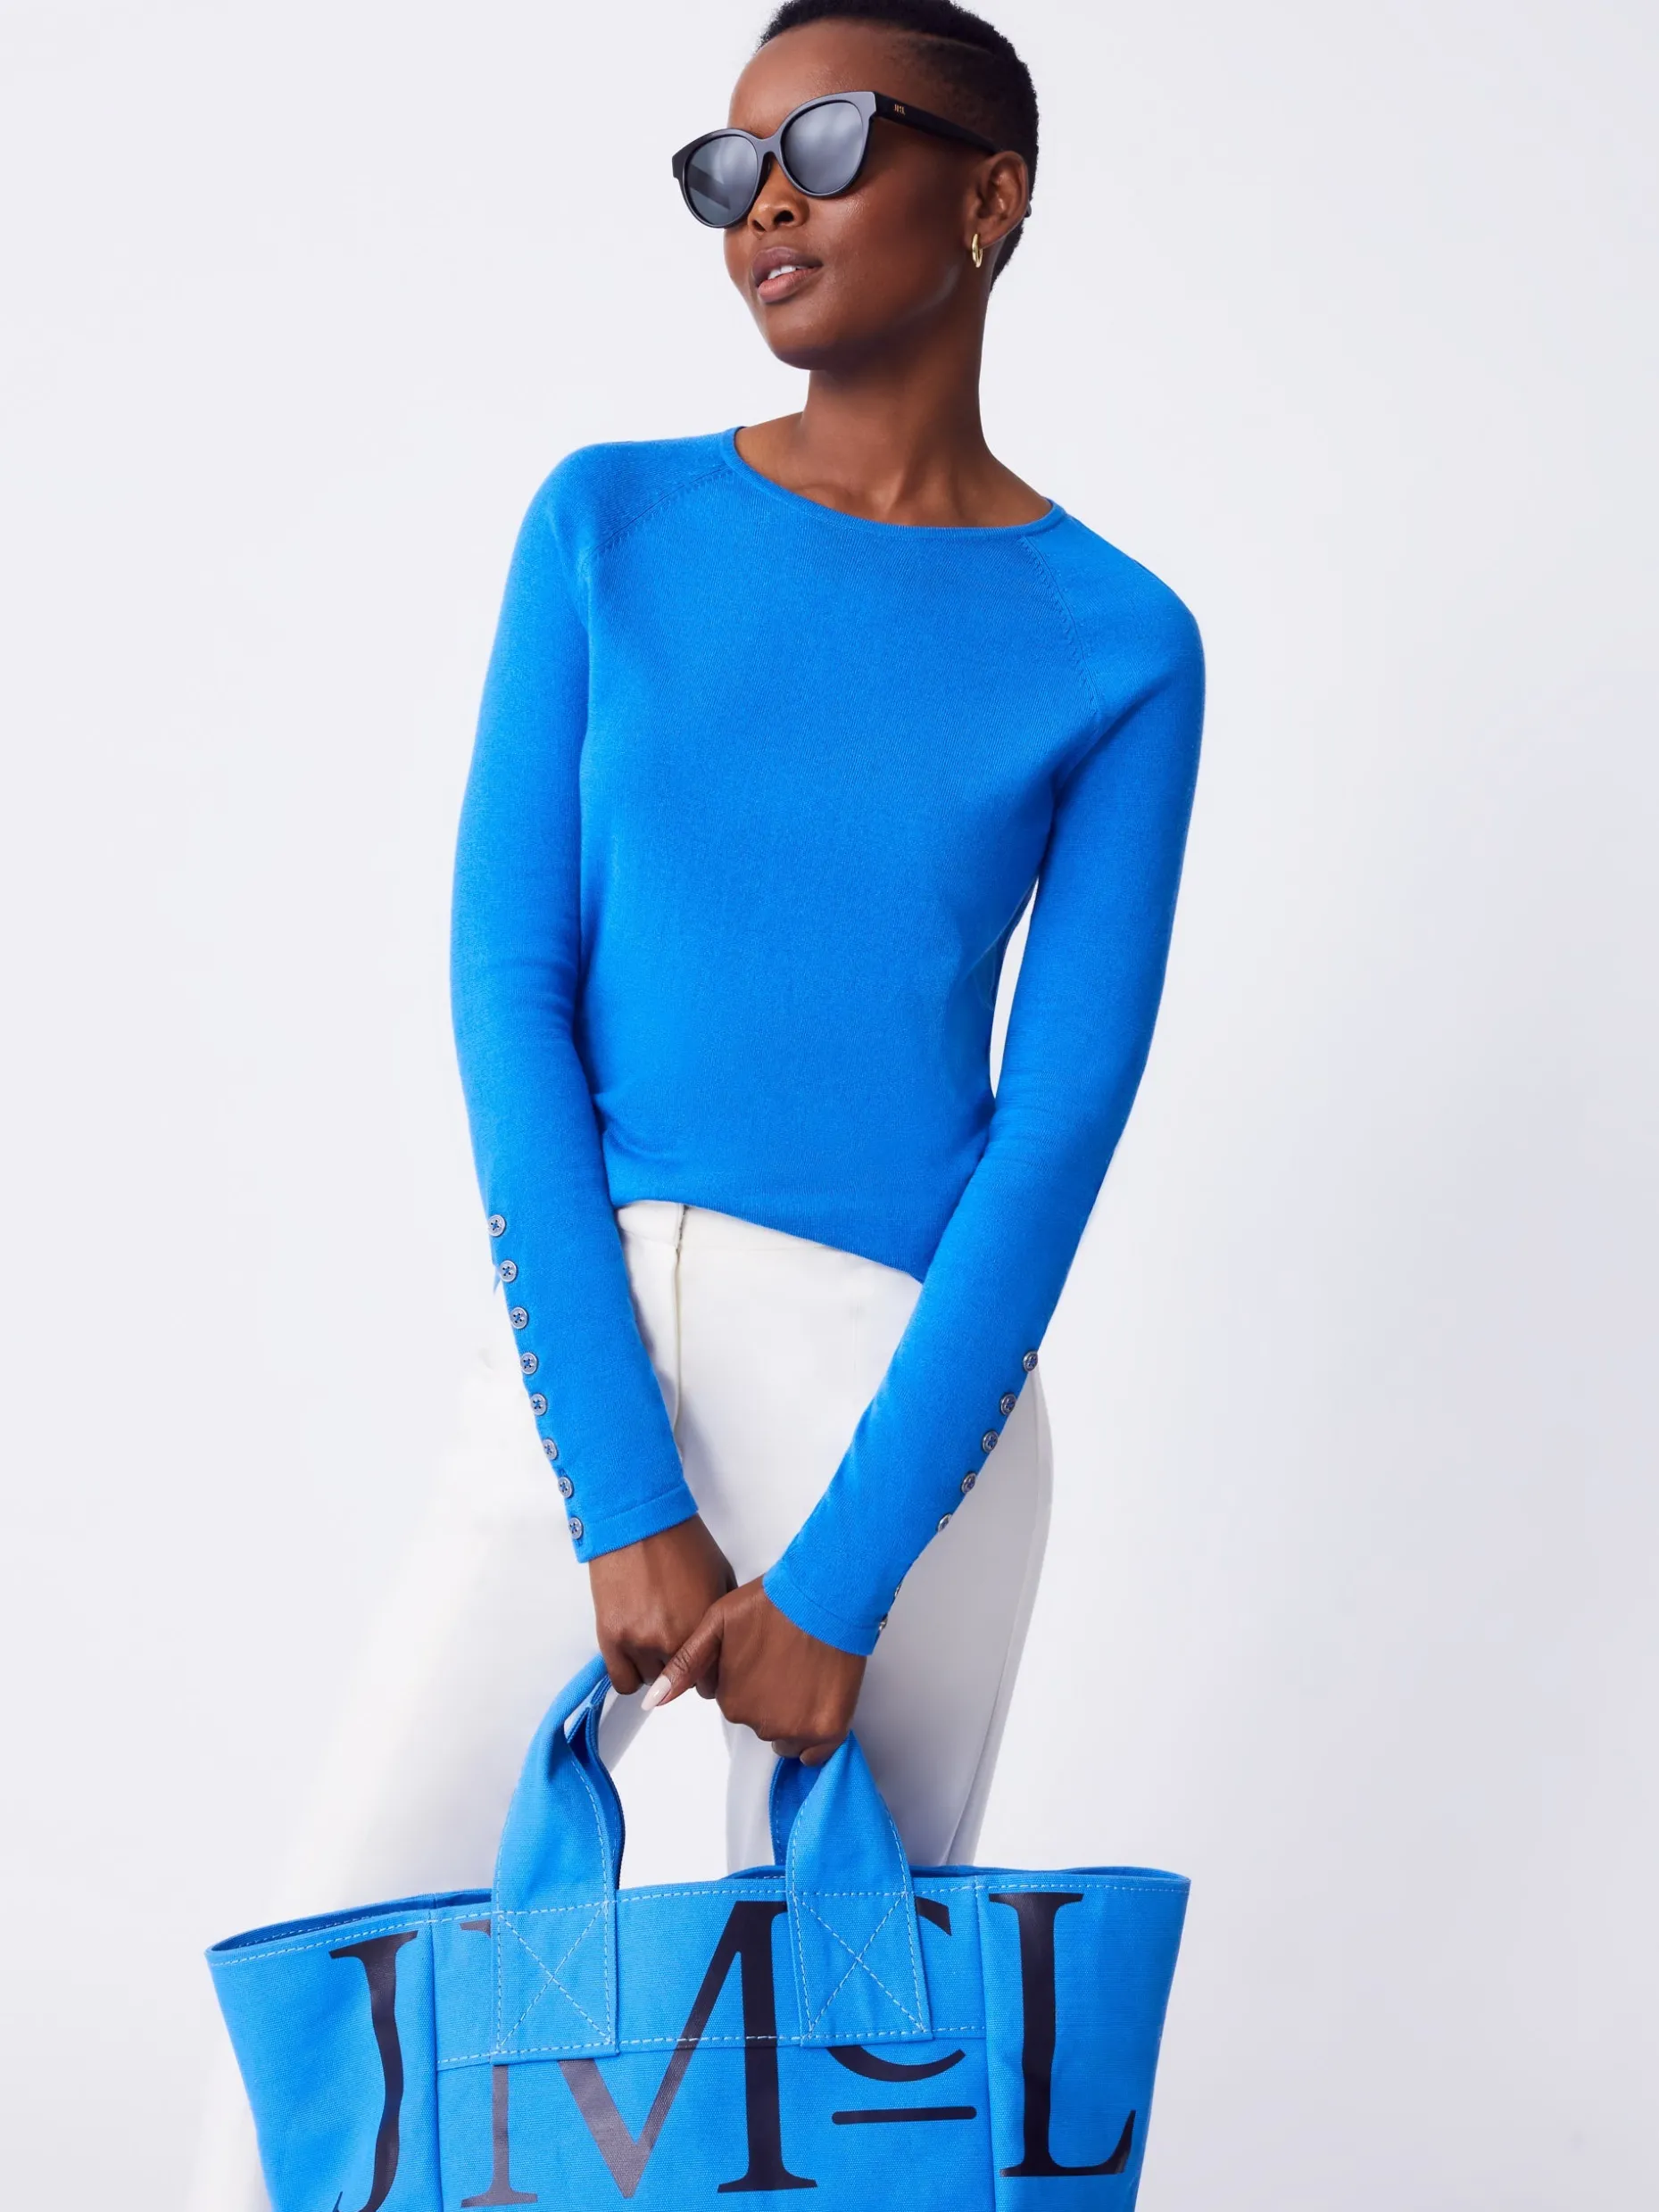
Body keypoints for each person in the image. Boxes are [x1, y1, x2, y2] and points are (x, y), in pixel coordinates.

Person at [191, 4, 1202, 2201]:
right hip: (608, 1350)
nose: (762, 206)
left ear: (990, 195)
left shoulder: (1117, 638)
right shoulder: (611, 524)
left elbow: (1055, 1122)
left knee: (836, 2119)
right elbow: (509, 991)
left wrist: (846, 1572)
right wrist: (611, 1484)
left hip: (913, 1411)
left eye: (822, 145)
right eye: (726, 168)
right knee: (323, 2095)